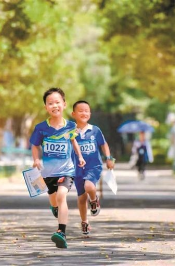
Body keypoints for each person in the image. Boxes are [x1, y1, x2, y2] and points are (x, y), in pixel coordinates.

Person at [30, 88, 86, 248]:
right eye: (50, 103)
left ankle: (61, 232)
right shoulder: (41, 128)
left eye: (57, 102)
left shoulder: (70, 126)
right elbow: (34, 145)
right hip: (47, 173)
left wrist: (80, 157)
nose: (54, 105)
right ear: (46, 107)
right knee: (54, 199)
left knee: (62, 196)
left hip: (66, 170)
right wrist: (36, 159)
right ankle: (54, 207)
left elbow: (73, 141)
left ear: (64, 104)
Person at [71, 100, 115, 235]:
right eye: (80, 110)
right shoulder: (70, 131)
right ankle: (84, 222)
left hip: (93, 166)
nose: (84, 113)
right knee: (82, 198)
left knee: (89, 187)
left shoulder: (95, 130)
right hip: (77, 169)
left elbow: (104, 144)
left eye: (86, 110)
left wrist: (108, 158)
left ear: (90, 113)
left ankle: (94, 200)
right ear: (73, 114)